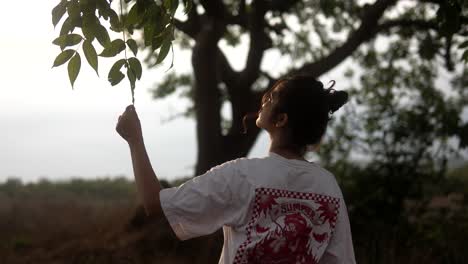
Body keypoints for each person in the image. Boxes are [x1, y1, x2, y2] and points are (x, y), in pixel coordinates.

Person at [116, 75, 356, 264]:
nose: (264, 99)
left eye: (272, 97)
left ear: (281, 120)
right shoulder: (328, 186)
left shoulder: (243, 175)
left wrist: (134, 140)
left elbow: (156, 205)